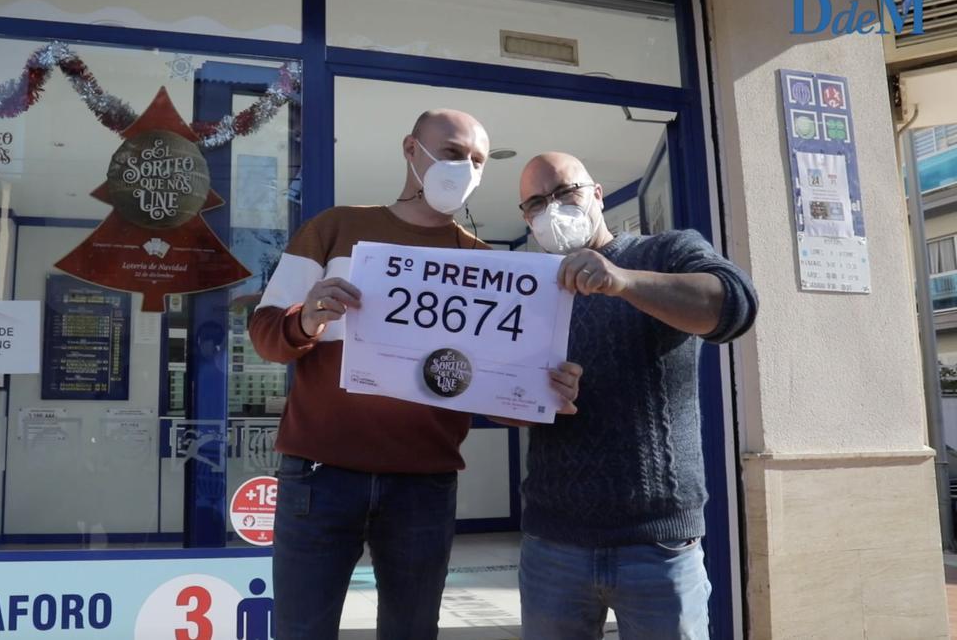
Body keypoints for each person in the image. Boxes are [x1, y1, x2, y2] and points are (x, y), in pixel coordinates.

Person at [249, 110, 582, 639]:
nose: (466, 168)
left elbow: (495, 390)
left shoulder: (486, 265)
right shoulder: (334, 229)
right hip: (319, 477)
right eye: (452, 153)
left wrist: (543, 395)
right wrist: (307, 317)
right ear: (411, 149)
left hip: (422, 485)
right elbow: (266, 335)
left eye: (477, 161)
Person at [513, 152, 758, 640]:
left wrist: (621, 281)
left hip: (658, 544)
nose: (553, 208)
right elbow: (504, 403)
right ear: (526, 218)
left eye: (566, 192)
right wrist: (530, 398)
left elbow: (734, 305)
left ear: (597, 194)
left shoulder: (666, 252)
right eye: (537, 202)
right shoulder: (528, 288)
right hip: (552, 543)